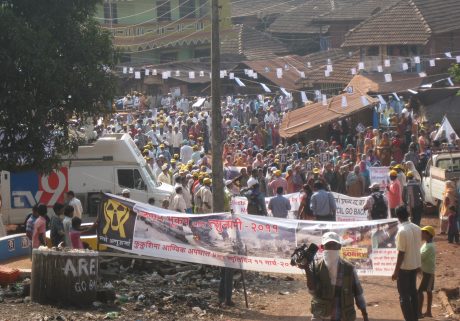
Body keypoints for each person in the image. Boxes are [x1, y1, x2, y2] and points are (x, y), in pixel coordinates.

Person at [303, 232, 369, 321]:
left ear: (339, 247)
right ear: (322, 247)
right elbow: (313, 292)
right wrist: (307, 268)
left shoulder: (349, 269)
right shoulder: (316, 268)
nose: (331, 248)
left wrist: (365, 315)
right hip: (321, 316)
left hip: (343, 316)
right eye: (328, 245)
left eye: (334, 245)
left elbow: (358, 293)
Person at [392, 206, 421, 321]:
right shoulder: (417, 227)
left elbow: (401, 253)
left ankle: (410, 318)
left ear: (397, 217)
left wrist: (396, 271)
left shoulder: (402, 231)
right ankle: (415, 317)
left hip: (404, 269)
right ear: (408, 214)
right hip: (414, 265)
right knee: (413, 293)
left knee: (404, 296)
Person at [418, 225, 436, 318]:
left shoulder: (429, 246)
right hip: (426, 271)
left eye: (423, 233)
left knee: (420, 291)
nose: (421, 234)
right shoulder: (426, 244)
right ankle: (428, 312)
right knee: (428, 291)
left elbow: (420, 257)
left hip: (428, 272)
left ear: (429, 235)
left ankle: (420, 312)